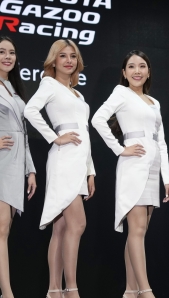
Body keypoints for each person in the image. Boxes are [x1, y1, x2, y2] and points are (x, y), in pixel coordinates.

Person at [91, 50, 169, 298]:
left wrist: (167, 178)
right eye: (131, 67)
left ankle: (130, 291)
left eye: (142, 66)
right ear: (124, 73)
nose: (137, 71)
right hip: (133, 165)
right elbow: (98, 119)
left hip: (152, 167)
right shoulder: (121, 93)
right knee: (136, 230)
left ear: (148, 71)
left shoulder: (154, 102)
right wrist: (119, 149)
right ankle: (146, 291)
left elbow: (162, 142)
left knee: (139, 232)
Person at [24, 39, 96, 298]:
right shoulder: (49, 84)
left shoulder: (79, 93)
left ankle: (54, 290)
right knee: (77, 224)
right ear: (53, 60)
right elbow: (31, 110)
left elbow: (85, 133)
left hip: (79, 162)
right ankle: (72, 289)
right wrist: (54, 137)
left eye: (73, 56)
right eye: (63, 56)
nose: (69, 60)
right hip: (63, 159)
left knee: (62, 227)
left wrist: (91, 171)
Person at [0, 36, 37, 298]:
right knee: (1, 229)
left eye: (11, 52)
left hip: (15, 164)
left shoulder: (13, 89)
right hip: (1, 162)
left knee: (4, 230)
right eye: (1, 52)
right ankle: (8, 293)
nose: (7, 57)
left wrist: (30, 169)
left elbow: (23, 132)